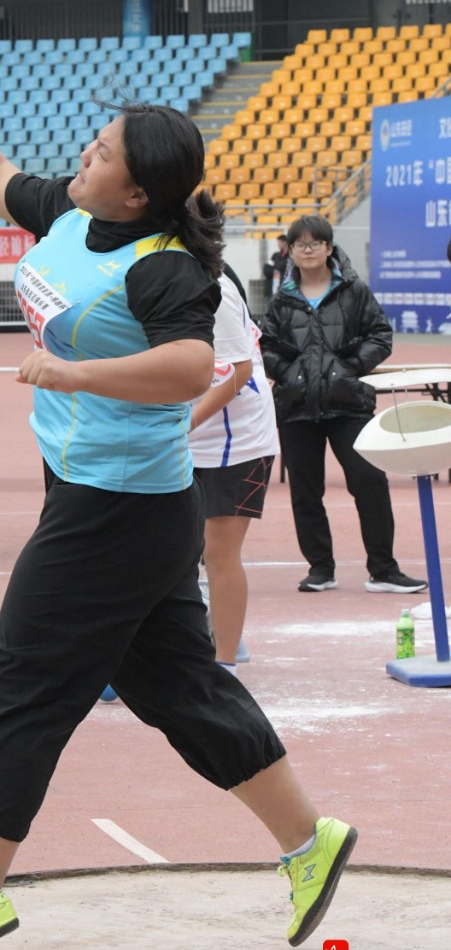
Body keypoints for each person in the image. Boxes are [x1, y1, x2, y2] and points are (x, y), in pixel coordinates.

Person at [0, 46, 357, 950]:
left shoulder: (165, 268)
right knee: (180, 687)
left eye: (101, 154)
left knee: (21, 689)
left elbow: (193, 368)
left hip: (119, 512)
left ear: (139, 195)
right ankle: (311, 843)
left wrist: (72, 372)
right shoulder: (70, 213)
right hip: (109, 497)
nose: (83, 161)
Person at [260, 215, 427, 595]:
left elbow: (381, 335)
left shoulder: (354, 291)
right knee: (305, 491)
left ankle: (383, 570)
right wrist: (288, 373)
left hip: (349, 404)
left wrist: (347, 368)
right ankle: (320, 568)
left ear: (329, 248)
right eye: (300, 243)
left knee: (369, 483)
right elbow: (264, 345)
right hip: (296, 406)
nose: (308, 249)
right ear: (290, 250)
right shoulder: (281, 299)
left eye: (315, 242)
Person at [190, 267, 279, 673]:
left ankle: (223, 664)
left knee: (219, 550)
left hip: (236, 439)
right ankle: (215, 631)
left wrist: (182, 424)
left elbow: (237, 373)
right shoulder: (140, 272)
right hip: (186, 432)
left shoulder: (213, 287)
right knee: (168, 550)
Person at [262, 234, 288, 300]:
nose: (278, 244)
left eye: (279, 242)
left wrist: (275, 267)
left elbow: (286, 269)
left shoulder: (291, 257)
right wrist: (277, 270)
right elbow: (266, 269)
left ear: (284, 242)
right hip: (272, 291)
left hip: (285, 292)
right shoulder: (275, 255)